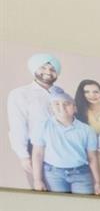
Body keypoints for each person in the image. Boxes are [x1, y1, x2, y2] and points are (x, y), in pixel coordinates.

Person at [6, 53, 61, 190]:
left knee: (66, 195)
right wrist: (24, 156)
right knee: (43, 192)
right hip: (36, 149)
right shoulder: (20, 93)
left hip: (62, 148)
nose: (48, 72)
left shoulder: (61, 93)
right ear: (34, 69)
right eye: (43, 67)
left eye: (52, 69)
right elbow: (17, 126)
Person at [30, 88, 100, 195]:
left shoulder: (87, 130)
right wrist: (37, 180)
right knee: (60, 204)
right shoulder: (42, 127)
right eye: (56, 104)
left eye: (66, 104)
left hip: (81, 174)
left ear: (75, 108)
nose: (62, 107)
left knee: (84, 203)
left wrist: (97, 182)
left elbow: (92, 157)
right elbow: (37, 154)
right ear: (51, 108)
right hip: (53, 175)